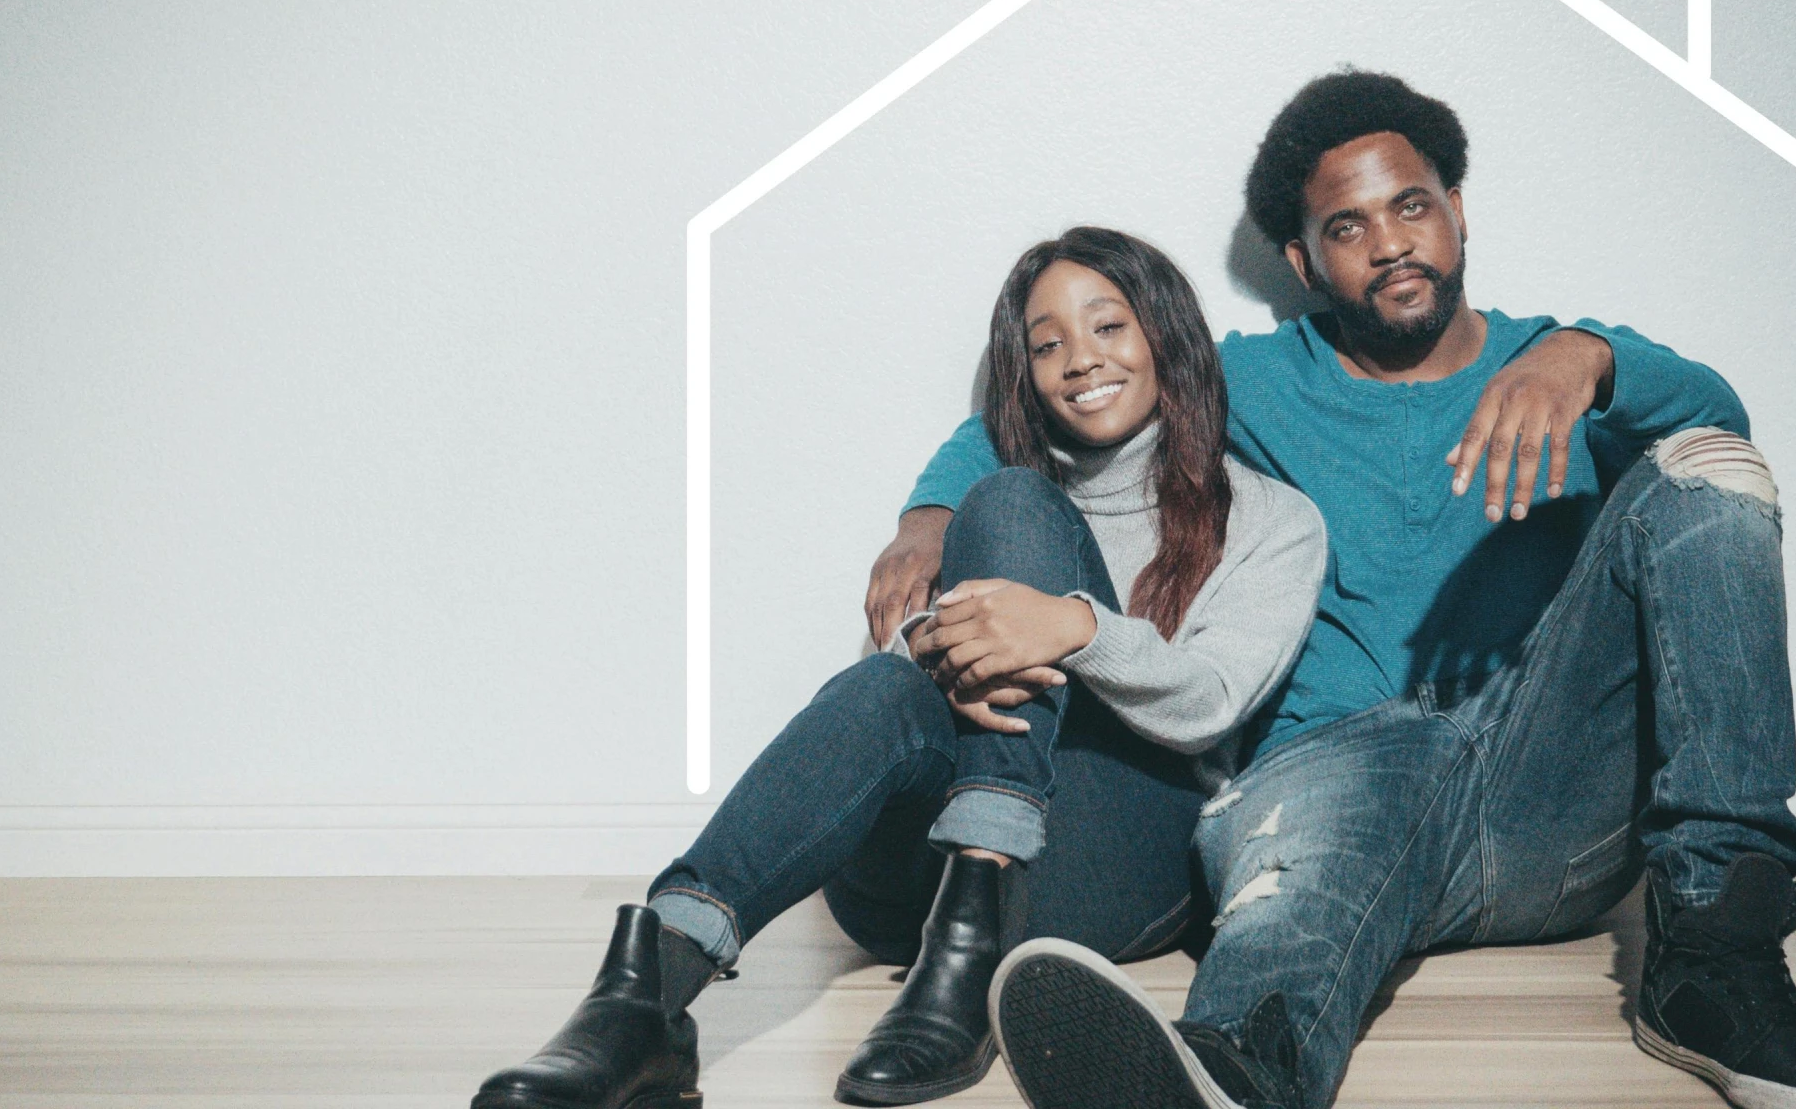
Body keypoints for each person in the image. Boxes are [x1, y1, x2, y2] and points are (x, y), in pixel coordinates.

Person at [878, 72, 1796, 1109]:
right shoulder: (1254, 380)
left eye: (1411, 207)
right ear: (1308, 263)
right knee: (1363, 794)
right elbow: (1043, 410)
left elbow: (1723, 420)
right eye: (1348, 227)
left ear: (1456, 213)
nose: (1392, 242)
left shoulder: (1560, 369)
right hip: (1331, 794)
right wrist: (931, 517)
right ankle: (1233, 1072)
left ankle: (1718, 950)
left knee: (1707, 465)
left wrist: (1589, 358)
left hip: (1549, 809)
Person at [472, 227, 1327, 1109]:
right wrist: (928, 649)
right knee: (893, 671)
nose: (1079, 360)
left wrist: (1070, 627)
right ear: (1022, 373)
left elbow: (1211, 704)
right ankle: (646, 992)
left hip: (1116, 864)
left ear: (1165, 337)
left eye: (1108, 327)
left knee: (1012, 504)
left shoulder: (1271, 518)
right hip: (907, 897)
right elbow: (898, 705)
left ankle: (973, 935)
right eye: (1047, 345)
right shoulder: (1000, 501)